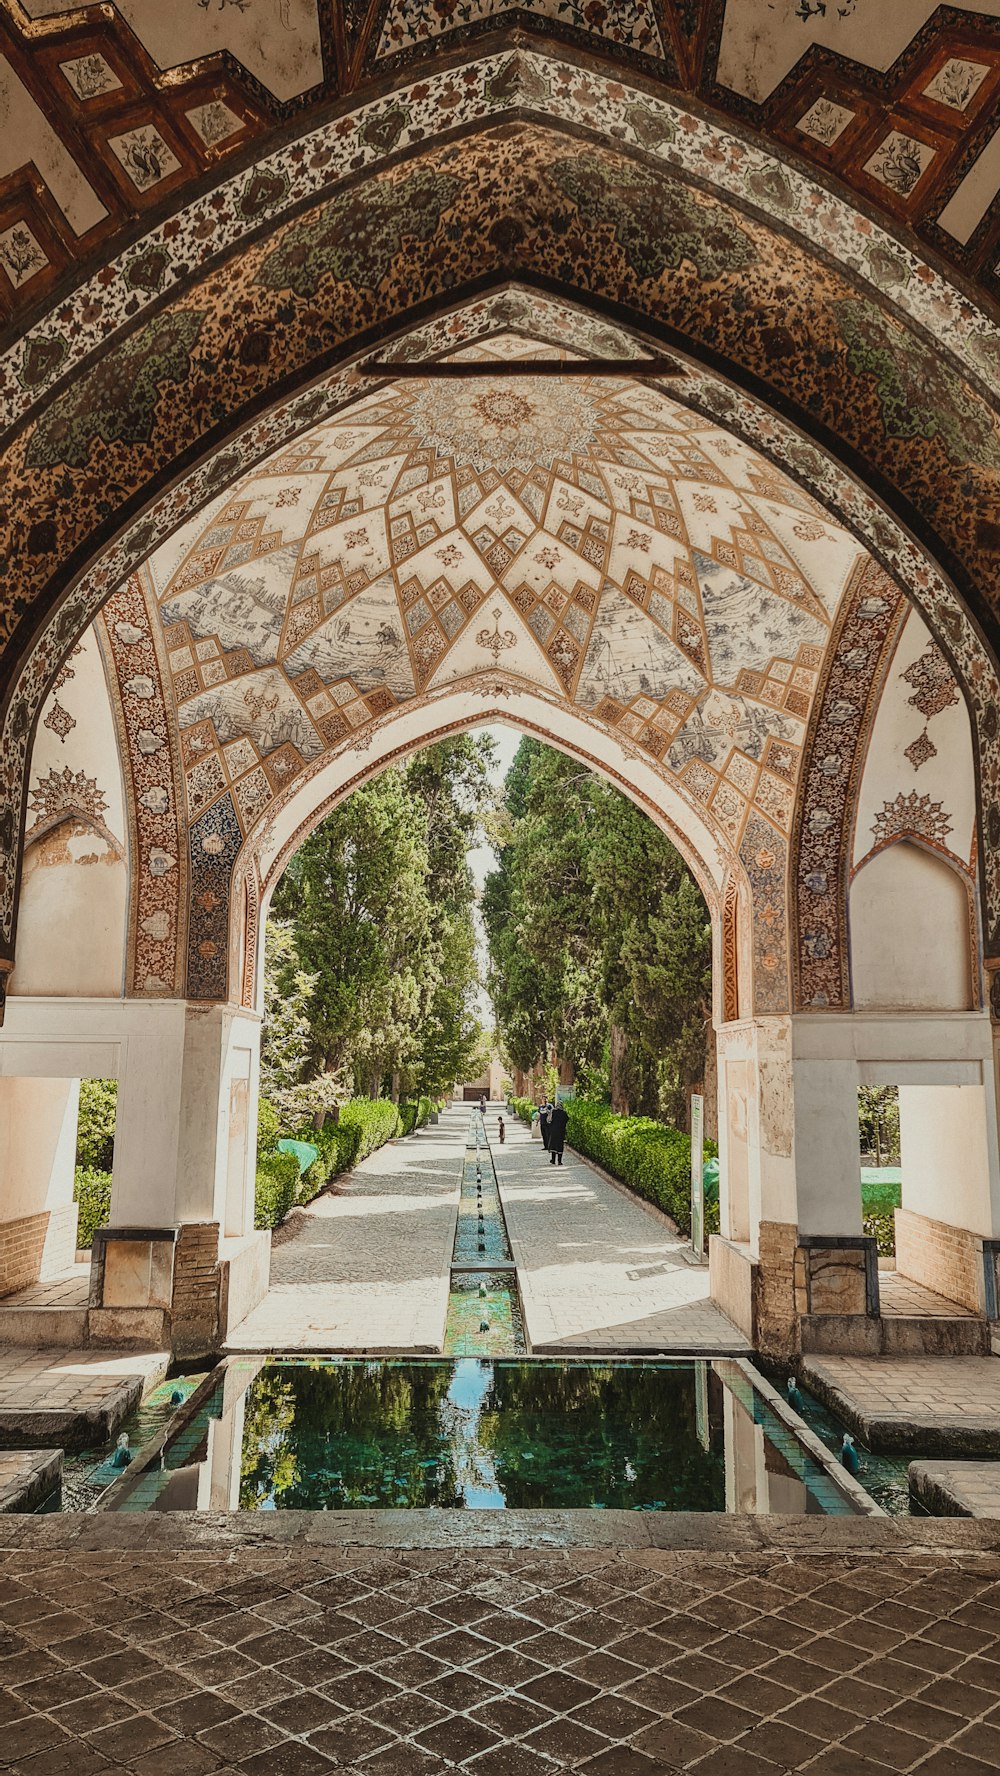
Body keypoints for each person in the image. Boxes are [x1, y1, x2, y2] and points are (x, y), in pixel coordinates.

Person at [547, 1099, 568, 1165]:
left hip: (553, 1131)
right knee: (560, 1145)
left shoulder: (553, 1112)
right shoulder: (564, 1113)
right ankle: (559, 1161)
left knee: (553, 1144)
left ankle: (553, 1160)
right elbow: (567, 1120)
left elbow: (549, 1120)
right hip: (561, 1131)